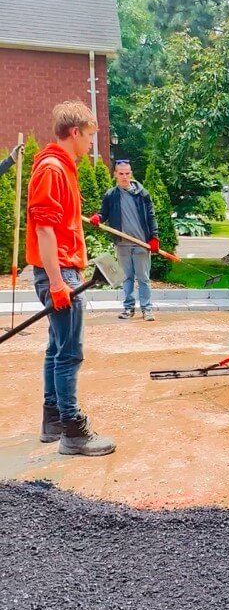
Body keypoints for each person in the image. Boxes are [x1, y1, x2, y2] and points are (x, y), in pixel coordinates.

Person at [26, 101, 115, 456]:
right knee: (69, 353)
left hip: (59, 269)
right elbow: (44, 229)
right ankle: (73, 433)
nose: (92, 143)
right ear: (75, 132)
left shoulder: (61, 167)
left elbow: (57, 223)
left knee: (56, 348)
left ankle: (53, 420)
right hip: (58, 272)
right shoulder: (52, 168)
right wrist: (59, 283)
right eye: (91, 135)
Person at [90, 160, 159, 321]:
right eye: (121, 173)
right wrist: (97, 218)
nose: (124, 177)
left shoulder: (142, 194)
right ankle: (128, 308)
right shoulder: (111, 195)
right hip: (122, 244)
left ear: (131, 174)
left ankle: (146, 309)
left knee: (143, 278)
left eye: (127, 173)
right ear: (115, 174)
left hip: (141, 243)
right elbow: (103, 214)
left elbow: (151, 216)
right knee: (127, 277)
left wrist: (154, 237)